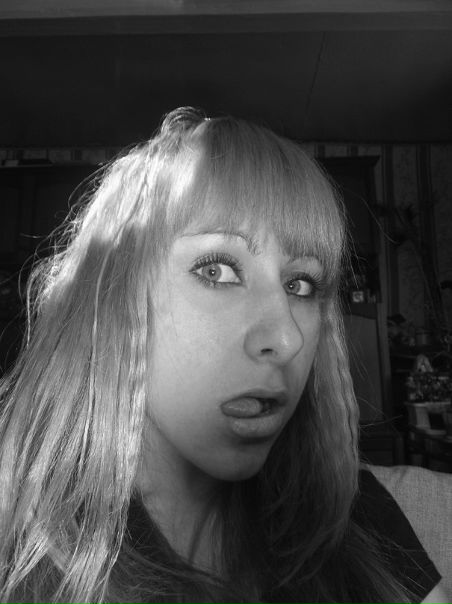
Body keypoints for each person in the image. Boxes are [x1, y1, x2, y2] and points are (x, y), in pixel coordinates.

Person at [0, 107, 447, 604]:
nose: (288, 338)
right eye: (217, 270)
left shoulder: (356, 522)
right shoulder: (25, 563)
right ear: (112, 296)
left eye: (301, 284)